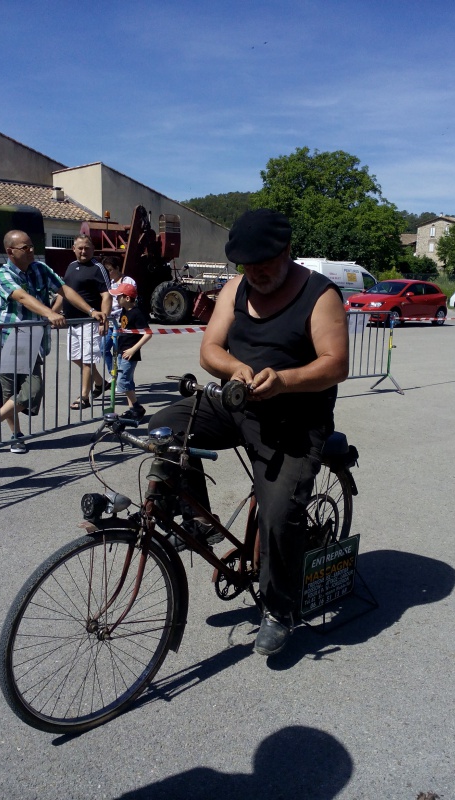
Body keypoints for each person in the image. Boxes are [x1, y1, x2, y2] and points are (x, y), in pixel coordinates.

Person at [147, 209, 349, 656]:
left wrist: (283, 380)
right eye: (247, 265)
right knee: (164, 425)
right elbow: (209, 349)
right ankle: (194, 515)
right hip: (236, 404)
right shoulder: (236, 288)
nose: (254, 273)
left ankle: (280, 610)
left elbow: (336, 364)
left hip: (296, 421)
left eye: (264, 264)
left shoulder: (320, 295)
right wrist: (236, 368)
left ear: (287, 253)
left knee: (279, 514)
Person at [0, 230, 106, 453]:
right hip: (4, 339)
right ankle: (16, 436)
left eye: (32, 245)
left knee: (33, 390)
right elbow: (23, 298)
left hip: (30, 340)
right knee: (7, 392)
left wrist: (91, 310)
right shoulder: (3, 274)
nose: (32, 250)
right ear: (10, 252)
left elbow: (64, 289)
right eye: (25, 248)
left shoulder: (40, 269)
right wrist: (50, 313)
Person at [51, 234, 111, 410]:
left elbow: (106, 295)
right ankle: (100, 383)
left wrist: (104, 319)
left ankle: (84, 397)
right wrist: (51, 313)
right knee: (75, 357)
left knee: (86, 360)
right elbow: (63, 294)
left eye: (87, 248)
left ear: (93, 250)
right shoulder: (71, 267)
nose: (83, 251)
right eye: (80, 248)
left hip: (90, 322)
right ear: (74, 249)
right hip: (72, 322)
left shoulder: (98, 268)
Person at [110, 282, 151, 421]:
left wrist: (134, 349)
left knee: (124, 382)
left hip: (130, 353)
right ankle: (133, 410)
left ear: (127, 298)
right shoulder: (124, 311)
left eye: (118, 297)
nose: (116, 299)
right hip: (122, 351)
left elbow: (148, 333)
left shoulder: (136, 313)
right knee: (128, 382)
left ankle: (137, 407)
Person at [101, 255, 136, 374]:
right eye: (106, 271)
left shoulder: (128, 281)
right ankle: (113, 373)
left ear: (117, 268)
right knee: (103, 348)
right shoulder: (107, 282)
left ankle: (122, 377)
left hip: (122, 322)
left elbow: (130, 301)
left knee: (121, 351)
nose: (108, 273)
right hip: (110, 321)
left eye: (110, 270)